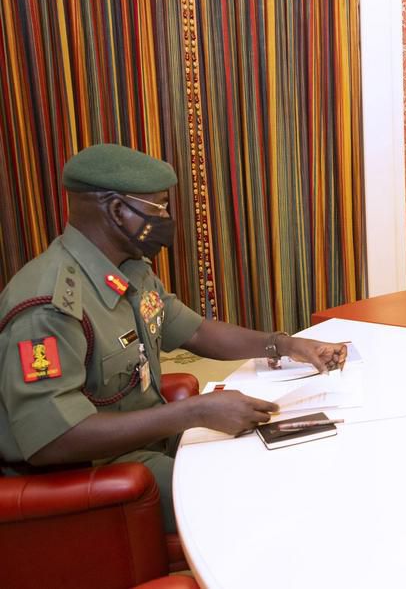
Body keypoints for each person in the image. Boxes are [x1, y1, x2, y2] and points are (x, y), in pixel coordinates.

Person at [0, 143, 348, 532]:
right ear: (117, 210)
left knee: (282, 455)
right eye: (158, 208)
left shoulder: (129, 269)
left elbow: (194, 330)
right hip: (92, 480)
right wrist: (194, 412)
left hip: (145, 444)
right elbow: (55, 440)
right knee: (261, 503)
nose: (167, 218)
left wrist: (283, 345)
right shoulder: (49, 306)